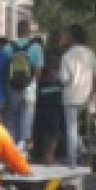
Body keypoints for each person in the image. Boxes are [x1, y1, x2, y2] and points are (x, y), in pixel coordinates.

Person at [58, 24, 96, 167]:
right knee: (79, 126)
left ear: (71, 37)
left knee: (71, 127)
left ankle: (72, 159)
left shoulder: (67, 55)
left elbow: (64, 79)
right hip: (86, 94)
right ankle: (80, 148)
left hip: (71, 94)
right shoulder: (90, 53)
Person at [4, 20, 44, 147]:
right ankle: (23, 145)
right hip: (29, 87)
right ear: (29, 31)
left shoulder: (8, 47)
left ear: (17, 30)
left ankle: (11, 144)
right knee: (27, 116)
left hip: (12, 86)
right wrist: (31, 82)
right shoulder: (36, 47)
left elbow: (5, 69)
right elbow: (38, 71)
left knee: (11, 116)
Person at [32, 30, 65, 164]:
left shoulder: (43, 52)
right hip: (57, 91)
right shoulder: (64, 54)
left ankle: (38, 153)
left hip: (42, 91)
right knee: (54, 127)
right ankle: (49, 155)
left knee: (41, 124)